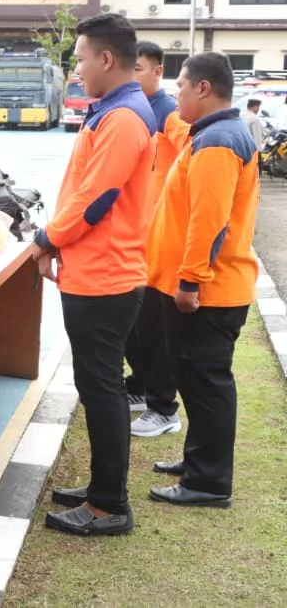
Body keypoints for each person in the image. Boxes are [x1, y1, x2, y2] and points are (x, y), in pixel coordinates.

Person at [35, 13, 155, 537]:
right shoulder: (111, 110)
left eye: (81, 59)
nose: (77, 70)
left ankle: (109, 505)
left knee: (102, 387)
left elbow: (94, 199)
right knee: (96, 383)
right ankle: (101, 487)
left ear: (106, 58)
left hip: (106, 276)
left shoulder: (124, 117)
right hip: (93, 271)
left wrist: (47, 238)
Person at [146, 52, 258, 509]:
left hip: (210, 292)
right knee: (195, 381)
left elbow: (208, 221)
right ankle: (199, 462)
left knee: (207, 384)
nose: (176, 95)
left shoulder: (218, 141)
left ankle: (208, 483)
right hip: (209, 287)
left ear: (203, 88)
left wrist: (190, 281)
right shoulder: (213, 134)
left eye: (181, 87)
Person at [124, 41, 190, 436]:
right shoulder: (138, 110)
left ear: (157, 71)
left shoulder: (167, 112)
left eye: (139, 69)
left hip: (160, 244)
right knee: (133, 327)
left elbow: (192, 154)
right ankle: (140, 387)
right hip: (138, 241)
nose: (132, 76)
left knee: (152, 330)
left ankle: (164, 409)